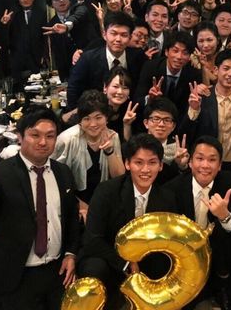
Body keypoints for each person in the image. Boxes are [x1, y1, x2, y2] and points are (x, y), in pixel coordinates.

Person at [0, 106, 79, 309]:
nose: (43, 142)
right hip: (14, 274)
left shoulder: (63, 172)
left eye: (50, 136)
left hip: (56, 273)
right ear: (20, 137)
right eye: (35, 135)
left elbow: (71, 217)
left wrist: (71, 253)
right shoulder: (0, 173)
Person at [79, 133, 177, 309]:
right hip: (110, 258)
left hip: (148, 262)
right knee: (94, 267)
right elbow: (92, 240)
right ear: (127, 164)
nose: (145, 169)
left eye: (152, 163)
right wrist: (126, 264)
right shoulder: (106, 191)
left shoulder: (168, 198)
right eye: (139, 162)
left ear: (161, 165)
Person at [165, 135, 231, 310]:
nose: (205, 165)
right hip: (185, 251)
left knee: (228, 234)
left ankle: (223, 289)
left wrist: (224, 216)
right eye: (200, 158)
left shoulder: (230, 183)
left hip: (217, 249)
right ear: (190, 162)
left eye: (212, 160)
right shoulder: (173, 188)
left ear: (220, 165)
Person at [52, 90, 125, 223]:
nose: (93, 124)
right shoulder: (66, 140)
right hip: (70, 200)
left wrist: (109, 151)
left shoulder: (113, 136)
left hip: (102, 200)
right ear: (80, 120)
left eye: (98, 117)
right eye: (87, 118)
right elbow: (56, 180)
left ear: (106, 117)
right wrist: (80, 206)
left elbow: (119, 177)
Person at [182, 50, 231, 176]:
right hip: (207, 166)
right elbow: (185, 132)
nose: (230, 74)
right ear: (216, 70)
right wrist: (193, 109)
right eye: (226, 69)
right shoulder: (203, 97)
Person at [66, 11, 144, 107]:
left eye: (124, 35)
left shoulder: (138, 58)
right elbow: (73, 90)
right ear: (104, 34)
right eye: (113, 33)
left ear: (130, 37)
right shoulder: (88, 59)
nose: (118, 39)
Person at [134, 31, 202, 116]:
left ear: (189, 57)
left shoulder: (193, 74)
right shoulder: (151, 67)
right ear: (166, 52)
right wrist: (149, 98)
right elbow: (137, 100)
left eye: (185, 53)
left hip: (178, 119)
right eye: (175, 51)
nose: (179, 57)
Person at [2, 0, 47, 80]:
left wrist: (44, 55)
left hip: (37, 60)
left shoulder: (42, 13)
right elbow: (7, 37)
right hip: (18, 62)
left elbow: (45, 37)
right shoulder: (13, 15)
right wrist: (4, 24)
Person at [142, 97, 190, 185]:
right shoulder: (137, 145)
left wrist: (181, 166)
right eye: (156, 119)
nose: (161, 124)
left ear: (173, 126)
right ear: (146, 123)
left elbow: (185, 181)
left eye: (167, 120)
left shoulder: (181, 150)